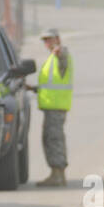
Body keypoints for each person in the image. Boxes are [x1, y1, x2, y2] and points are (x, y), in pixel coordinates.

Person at [28, 28, 72, 186]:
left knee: (54, 139)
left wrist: (59, 51)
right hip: (51, 107)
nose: (47, 43)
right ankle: (55, 173)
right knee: (49, 139)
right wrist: (33, 88)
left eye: (50, 39)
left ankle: (58, 174)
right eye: (45, 40)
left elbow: (63, 56)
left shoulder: (60, 54)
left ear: (58, 39)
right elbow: (50, 85)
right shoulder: (51, 58)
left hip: (56, 107)